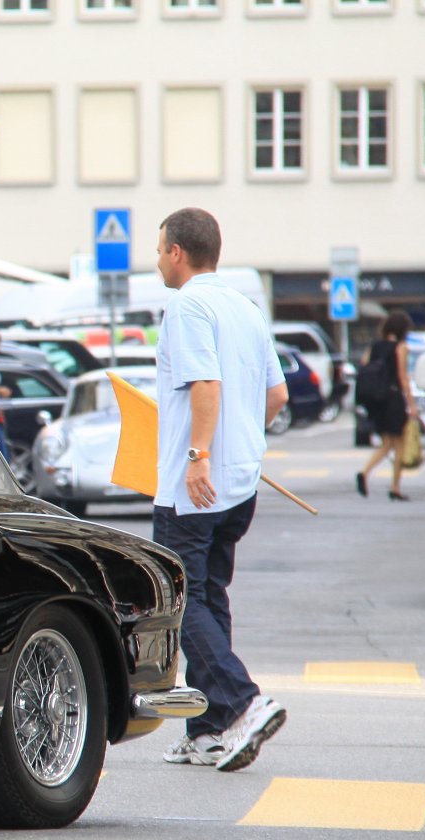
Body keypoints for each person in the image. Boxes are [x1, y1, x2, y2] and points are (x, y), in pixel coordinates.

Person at [151, 207, 290, 773]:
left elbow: (205, 383)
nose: (158, 260)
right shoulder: (245, 308)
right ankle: (208, 731)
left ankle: (243, 703)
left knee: (179, 599)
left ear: (177, 252)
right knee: (208, 596)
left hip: (195, 488)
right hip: (239, 483)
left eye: (160, 249)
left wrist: (198, 456)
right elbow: (277, 396)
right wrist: (238, 442)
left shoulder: (188, 306)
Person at [356, 311, 417, 502]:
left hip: (378, 401)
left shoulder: (374, 347)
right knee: (399, 444)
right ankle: (395, 487)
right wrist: (411, 404)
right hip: (394, 399)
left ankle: (364, 473)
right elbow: (403, 377)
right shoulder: (400, 347)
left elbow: (364, 366)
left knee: (387, 444)